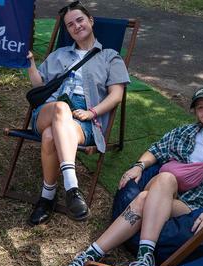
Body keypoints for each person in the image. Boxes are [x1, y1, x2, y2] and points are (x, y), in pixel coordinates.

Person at [55, 84, 203, 266]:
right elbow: (156, 150)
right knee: (164, 180)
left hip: (192, 205)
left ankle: (91, 255)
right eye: (200, 107)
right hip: (163, 189)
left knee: (144, 198)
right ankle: (142, 259)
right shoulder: (186, 133)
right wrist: (138, 166)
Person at [25, 1, 130, 226]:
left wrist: (93, 112)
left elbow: (116, 95)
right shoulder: (59, 54)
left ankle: (47, 197)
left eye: (80, 20)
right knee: (60, 109)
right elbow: (39, 86)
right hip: (49, 109)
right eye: (70, 24)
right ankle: (72, 187)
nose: (76, 26)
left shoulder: (110, 57)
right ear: (68, 30)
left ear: (90, 21)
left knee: (50, 136)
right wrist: (31, 63)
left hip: (84, 118)